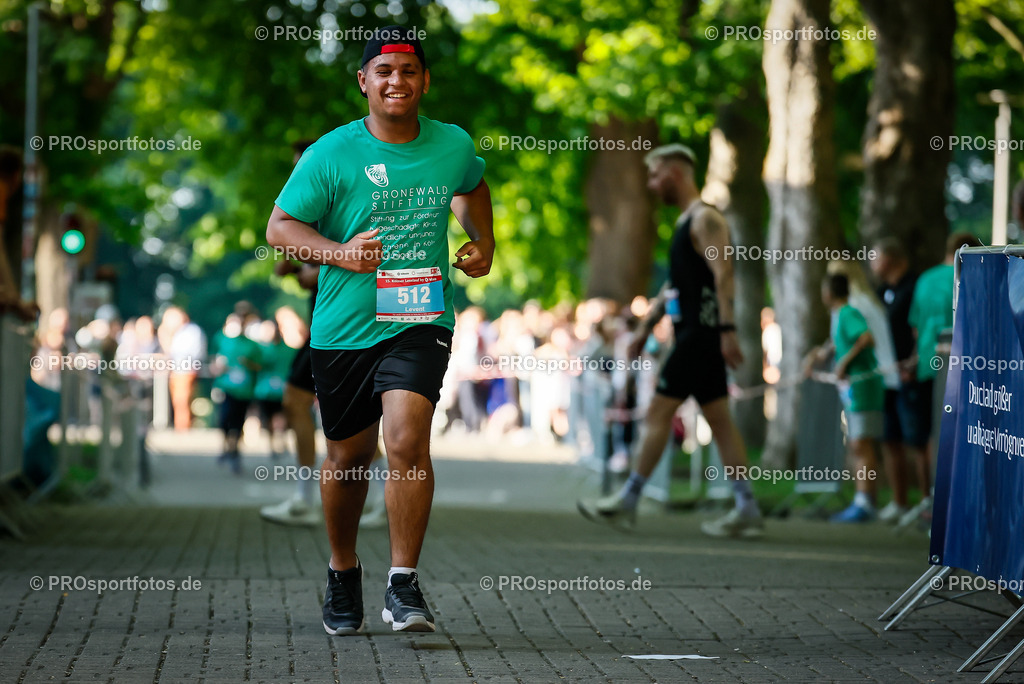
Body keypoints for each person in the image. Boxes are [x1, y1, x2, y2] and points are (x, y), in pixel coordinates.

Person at [266, 26, 493, 635]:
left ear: (425, 82)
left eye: (409, 71)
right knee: (347, 458)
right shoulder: (330, 153)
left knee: (408, 438)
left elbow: (472, 184)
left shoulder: (452, 144)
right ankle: (343, 571)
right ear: (364, 81)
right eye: (384, 72)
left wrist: (484, 241)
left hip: (420, 317)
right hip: (343, 328)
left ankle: (403, 583)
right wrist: (339, 253)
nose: (398, 81)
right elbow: (280, 228)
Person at [577, 144, 763, 539]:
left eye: (655, 175)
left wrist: (727, 331)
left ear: (675, 174)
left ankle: (628, 501)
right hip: (697, 335)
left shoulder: (706, 219)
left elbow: (724, 274)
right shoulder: (685, 224)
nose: (650, 184)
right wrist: (647, 327)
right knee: (720, 421)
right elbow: (676, 287)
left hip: (699, 337)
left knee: (660, 413)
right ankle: (747, 507)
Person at [902, 231, 983, 520]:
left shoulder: (925, 279)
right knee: (964, 432)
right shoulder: (974, 275)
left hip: (928, 363)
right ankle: (956, 503)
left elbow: (915, 326)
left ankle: (930, 500)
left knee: (928, 436)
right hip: (966, 366)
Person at [805, 273, 884, 522]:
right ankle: (864, 499)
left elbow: (866, 339)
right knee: (857, 443)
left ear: (828, 292)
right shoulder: (838, 317)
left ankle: (865, 502)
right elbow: (834, 343)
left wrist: (844, 364)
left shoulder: (848, 313)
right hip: (852, 389)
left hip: (862, 385)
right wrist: (816, 357)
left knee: (861, 443)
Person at [869, 238, 927, 523]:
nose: (871, 263)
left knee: (917, 439)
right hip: (887, 378)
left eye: (875, 257)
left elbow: (921, 326)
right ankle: (900, 502)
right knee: (890, 438)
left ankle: (927, 504)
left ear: (891, 258)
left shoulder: (915, 286)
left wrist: (914, 362)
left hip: (911, 376)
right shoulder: (881, 293)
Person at [211, 313, 261, 474]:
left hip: (244, 390)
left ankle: (234, 450)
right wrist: (218, 368)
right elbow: (214, 360)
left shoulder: (252, 345)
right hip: (226, 387)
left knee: (237, 421)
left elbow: (259, 366)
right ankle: (227, 446)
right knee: (224, 419)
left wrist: (249, 364)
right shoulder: (221, 339)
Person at [158, 306, 206, 430]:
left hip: (185, 370)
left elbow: (178, 353)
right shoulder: (181, 332)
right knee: (179, 401)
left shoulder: (190, 332)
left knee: (181, 400)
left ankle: (183, 428)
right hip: (179, 370)